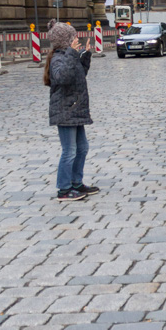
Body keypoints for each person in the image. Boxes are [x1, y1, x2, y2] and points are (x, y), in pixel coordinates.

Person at [44, 20, 98, 202]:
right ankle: (64, 188)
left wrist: (85, 55)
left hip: (75, 108)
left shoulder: (68, 55)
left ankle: (76, 182)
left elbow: (79, 74)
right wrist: (72, 54)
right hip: (65, 110)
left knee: (82, 148)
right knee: (69, 151)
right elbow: (62, 78)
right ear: (65, 40)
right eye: (73, 37)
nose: (77, 39)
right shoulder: (59, 57)